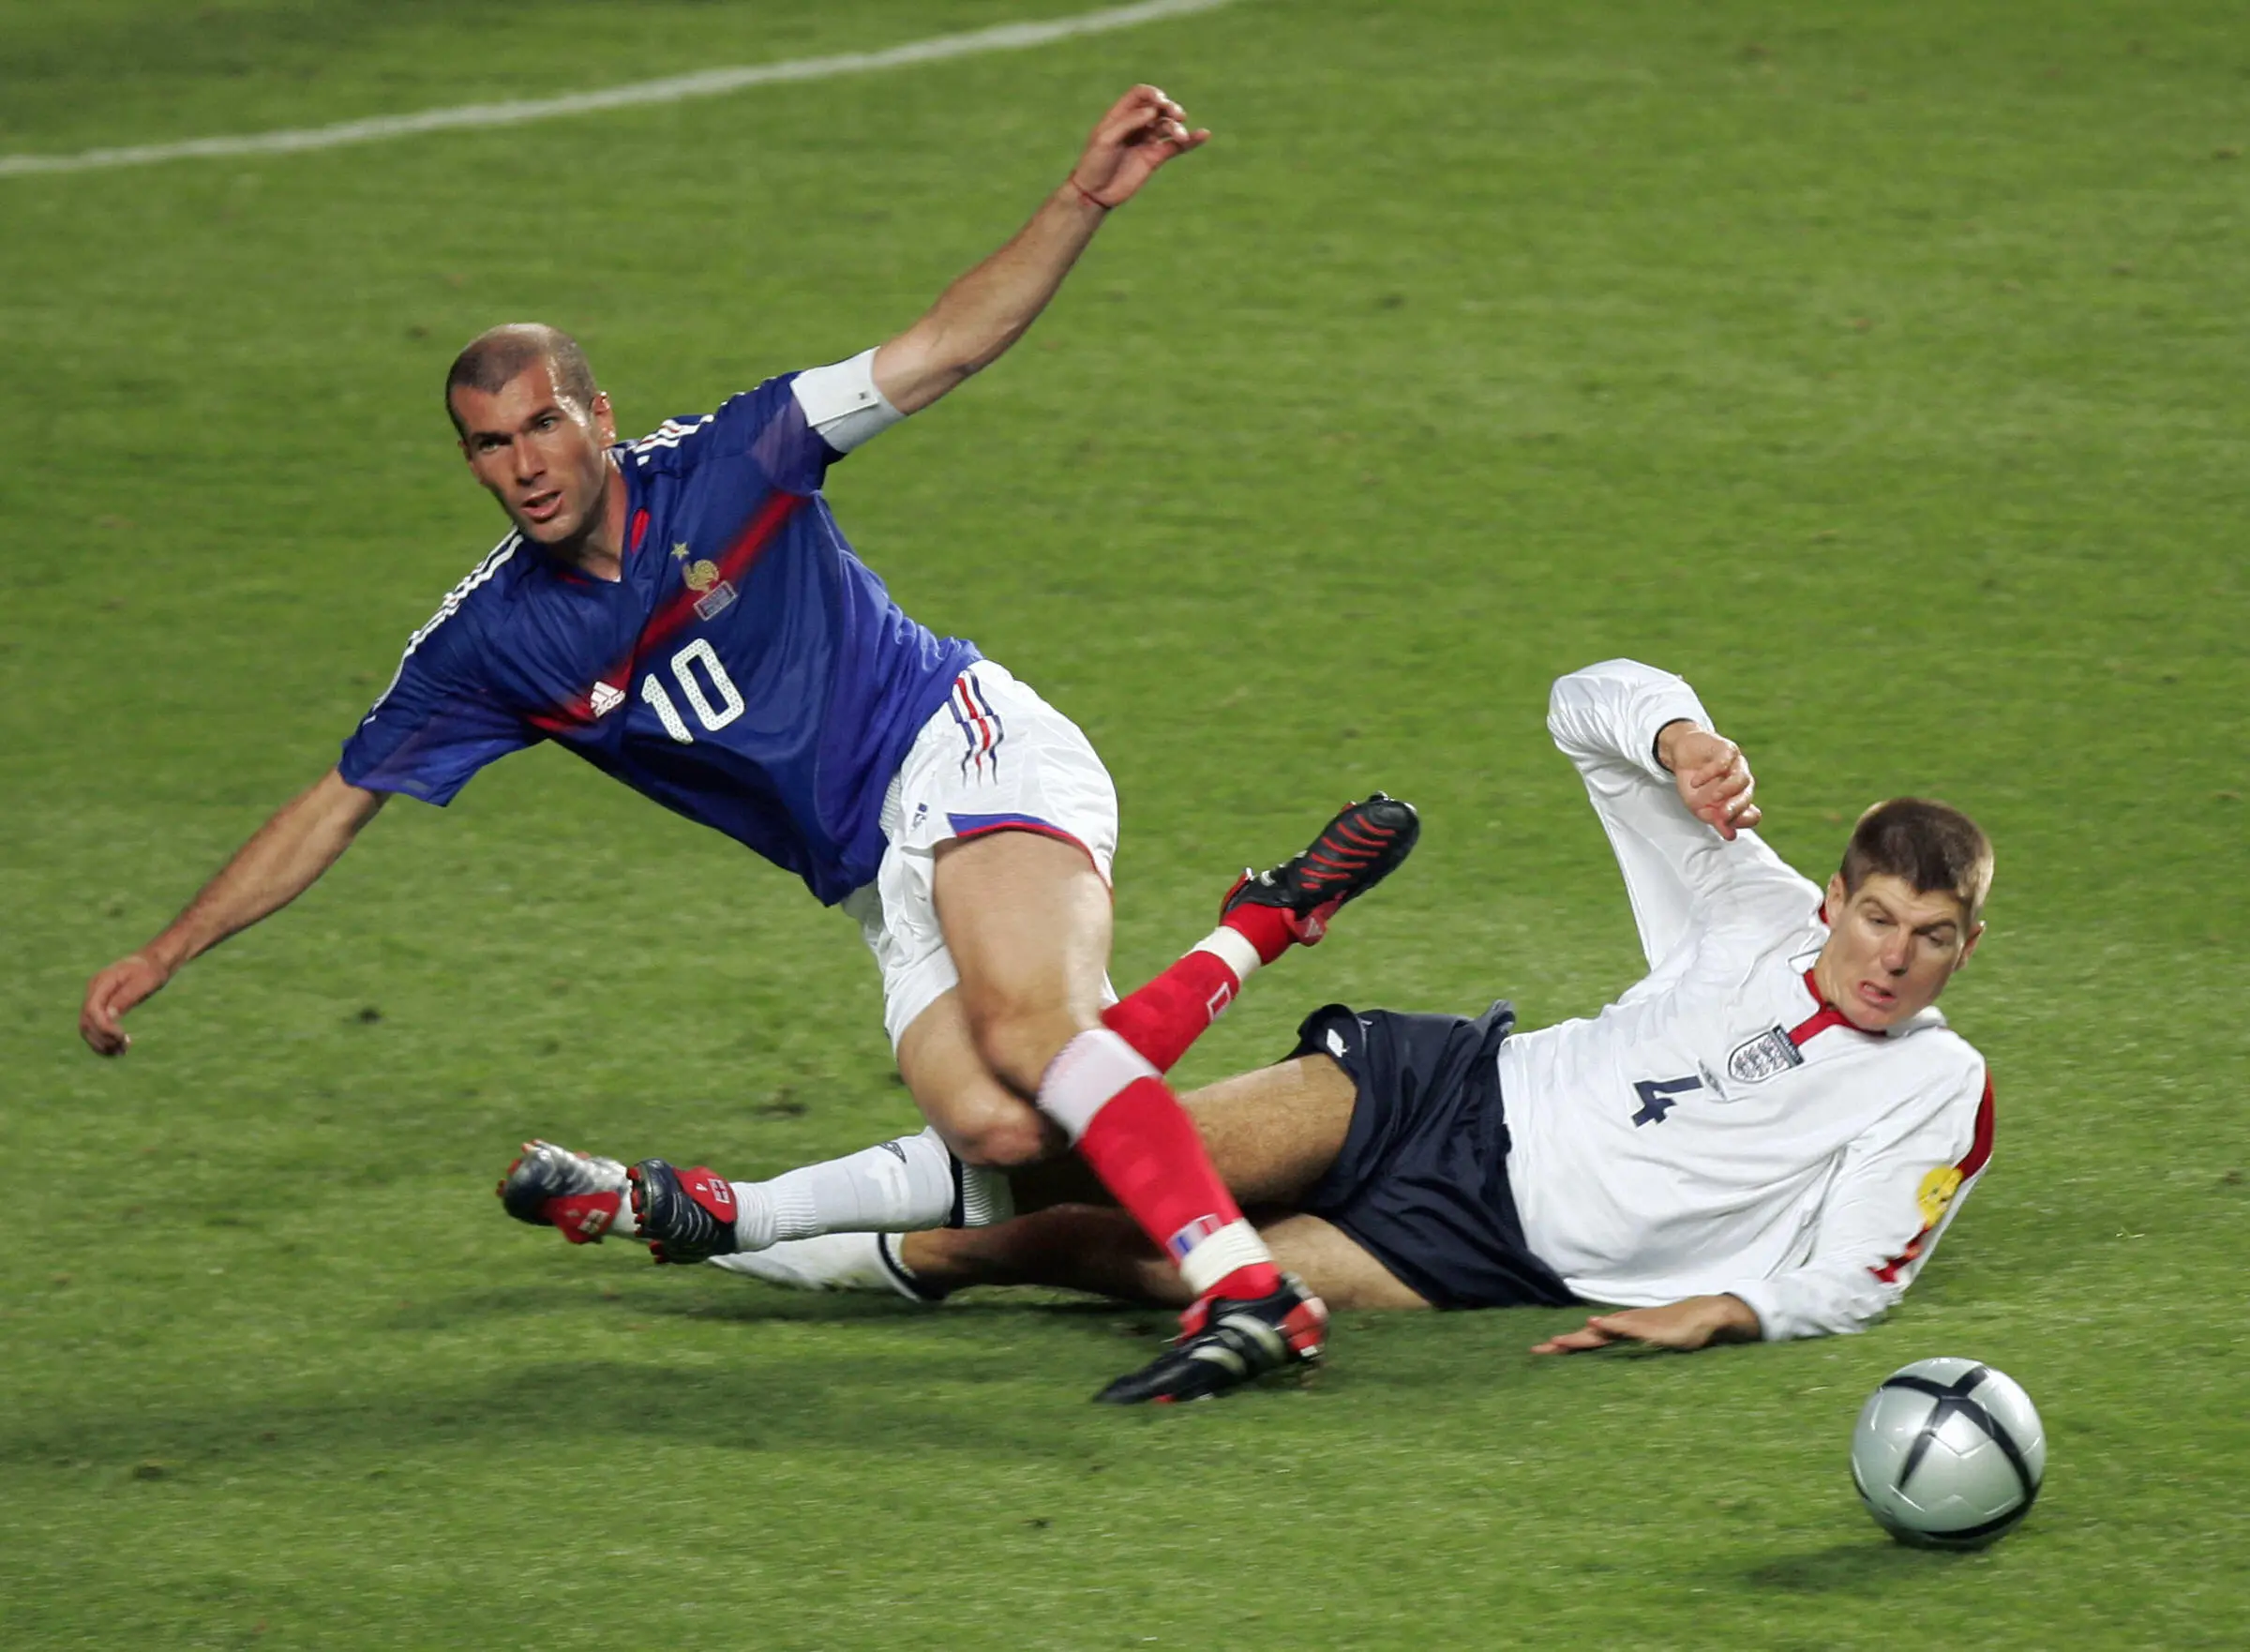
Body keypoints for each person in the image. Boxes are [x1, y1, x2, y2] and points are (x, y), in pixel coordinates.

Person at [75, 87, 1421, 1404]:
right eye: (490, 445)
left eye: (544, 424)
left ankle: (1247, 1289)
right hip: (871, 874)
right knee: (1002, 1126)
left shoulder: (739, 456)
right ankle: (1257, 926)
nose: (526, 464)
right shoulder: (490, 644)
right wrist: (166, 950)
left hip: (960, 748)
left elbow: (944, 346)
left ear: (599, 417)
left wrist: (1081, 198)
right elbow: (336, 801)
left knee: (1033, 1026)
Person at [641, 659, 1999, 1386]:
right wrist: (1678, 739)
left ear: (1967, 946)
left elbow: (1864, 1272)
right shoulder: (1752, 903)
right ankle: (737, 1216)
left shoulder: (1940, 1090)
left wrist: (1730, 1309)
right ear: (1835, 898)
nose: (1893, 959)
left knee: (1107, 1257)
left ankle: (819, 1249)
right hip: (1445, 1087)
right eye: (1877, 917)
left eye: (1932, 937)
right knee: (1110, 1158)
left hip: (1488, 1249)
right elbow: (1582, 701)